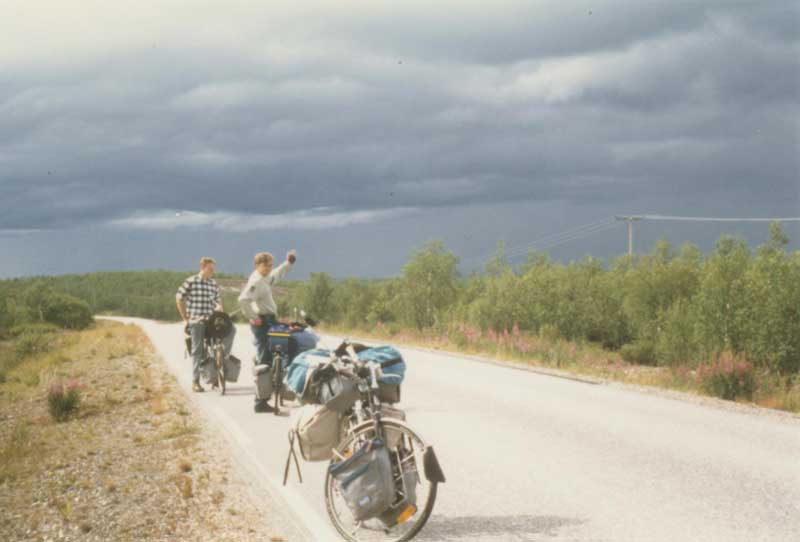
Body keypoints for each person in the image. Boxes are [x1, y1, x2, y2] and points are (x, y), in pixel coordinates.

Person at [238, 250, 296, 411]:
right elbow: (243, 300)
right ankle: (260, 402)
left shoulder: (264, 278)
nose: (269, 268)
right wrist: (253, 317)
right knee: (264, 359)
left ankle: (278, 385)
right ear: (257, 265)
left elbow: (276, 275)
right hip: (261, 322)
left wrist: (288, 263)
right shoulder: (256, 282)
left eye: (270, 265)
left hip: (270, 320)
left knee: (282, 349)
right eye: (266, 265)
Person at [176, 257, 236, 392]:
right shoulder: (191, 281)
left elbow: (217, 300)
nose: (212, 272)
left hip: (211, 319)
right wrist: (185, 317)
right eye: (210, 269)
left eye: (213, 270)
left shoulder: (213, 283)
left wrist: (219, 308)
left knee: (232, 329)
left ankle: (222, 358)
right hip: (196, 320)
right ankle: (195, 381)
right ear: (202, 267)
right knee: (197, 350)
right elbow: (179, 298)